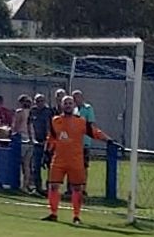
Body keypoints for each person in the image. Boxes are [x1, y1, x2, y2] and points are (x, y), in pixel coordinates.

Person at [43, 95, 109, 223]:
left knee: (77, 188)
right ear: (62, 105)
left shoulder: (81, 122)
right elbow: (51, 138)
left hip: (76, 160)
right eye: (66, 103)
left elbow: (95, 132)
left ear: (74, 105)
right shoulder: (55, 121)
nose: (68, 105)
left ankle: (76, 216)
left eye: (70, 103)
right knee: (53, 186)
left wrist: (109, 140)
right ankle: (53, 213)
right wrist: (46, 152)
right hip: (59, 159)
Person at [27, 94, 53, 194]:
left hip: (48, 142)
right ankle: (38, 188)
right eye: (38, 101)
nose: (40, 103)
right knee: (36, 166)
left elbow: (51, 127)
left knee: (50, 165)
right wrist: (31, 138)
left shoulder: (49, 111)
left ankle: (49, 188)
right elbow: (29, 124)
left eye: (42, 101)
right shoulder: (32, 111)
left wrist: (48, 140)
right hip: (36, 142)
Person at [12, 95, 34, 191]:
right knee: (27, 164)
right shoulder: (32, 112)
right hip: (31, 139)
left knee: (19, 163)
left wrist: (12, 134)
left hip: (21, 138)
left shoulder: (20, 112)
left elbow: (16, 126)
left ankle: (20, 184)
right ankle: (26, 184)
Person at [70, 90, 97, 169]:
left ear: (82, 98)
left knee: (84, 165)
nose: (76, 99)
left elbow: (90, 123)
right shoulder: (73, 110)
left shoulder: (88, 108)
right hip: (74, 142)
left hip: (84, 141)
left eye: (77, 97)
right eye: (74, 98)